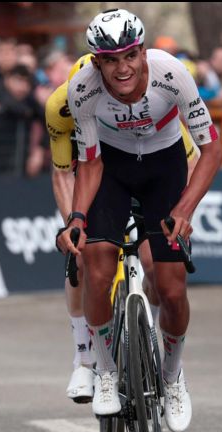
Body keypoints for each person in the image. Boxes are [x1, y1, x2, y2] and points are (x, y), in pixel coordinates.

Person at [57, 9, 222, 432]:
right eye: (110, 60)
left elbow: (212, 150)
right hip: (110, 169)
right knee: (96, 264)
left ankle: (172, 377)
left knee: (169, 285)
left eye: (130, 55)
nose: (122, 67)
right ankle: (107, 372)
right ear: (97, 63)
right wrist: (77, 217)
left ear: (143, 51)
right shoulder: (83, 90)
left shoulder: (172, 74)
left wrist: (184, 209)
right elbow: (89, 164)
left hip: (164, 167)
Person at [46, 54, 201, 404]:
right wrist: (74, 223)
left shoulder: (150, 97)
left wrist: (182, 213)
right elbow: (62, 172)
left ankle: (151, 331)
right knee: (83, 261)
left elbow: (188, 161)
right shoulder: (62, 106)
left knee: (155, 268)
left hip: (149, 168)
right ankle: (84, 358)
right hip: (94, 167)